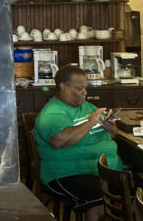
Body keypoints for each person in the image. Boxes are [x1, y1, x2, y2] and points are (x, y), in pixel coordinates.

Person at [33, 64, 123, 221]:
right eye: (79, 88)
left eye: (85, 88)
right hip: (68, 173)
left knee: (140, 190)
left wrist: (110, 127)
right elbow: (59, 142)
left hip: (106, 170)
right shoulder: (51, 113)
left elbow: (114, 134)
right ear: (63, 86)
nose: (85, 92)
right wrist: (90, 122)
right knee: (97, 197)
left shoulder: (88, 107)